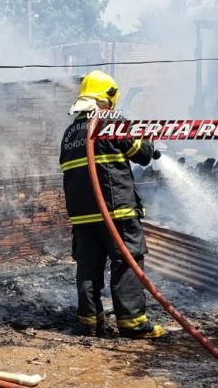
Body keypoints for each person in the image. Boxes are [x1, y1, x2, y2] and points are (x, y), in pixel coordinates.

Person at [59, 70, 164, 339]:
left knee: (88, 266)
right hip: (115, 211)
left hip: (82, 217)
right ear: (109, 96)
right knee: (126, 262)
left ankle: (89, 322)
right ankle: (133, 324)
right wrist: (152, 146)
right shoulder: (111, 122)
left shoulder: (70, 132)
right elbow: (140, 153)